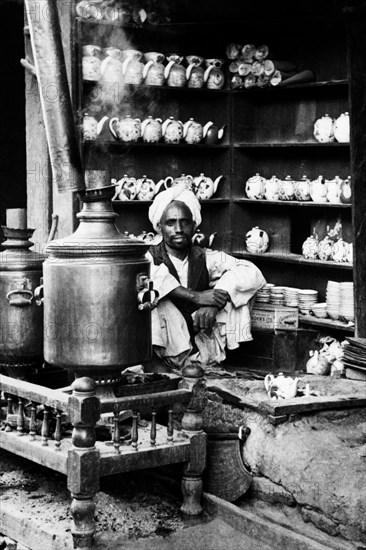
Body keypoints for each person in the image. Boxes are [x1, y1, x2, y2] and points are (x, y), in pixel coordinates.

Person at [146, 183, 266, 371]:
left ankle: (202, 361)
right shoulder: (148, 256)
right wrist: (196, 297)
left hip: (199, 337)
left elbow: (251, 271)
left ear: (194, 226)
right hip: (163, 345)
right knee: (150, 296)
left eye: (185, 222)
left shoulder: (205, 256)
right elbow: (151, 276)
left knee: (237, 291)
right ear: (159, 227)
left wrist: (215, 301)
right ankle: (157, 366)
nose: (178, 229)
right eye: (170, 223)